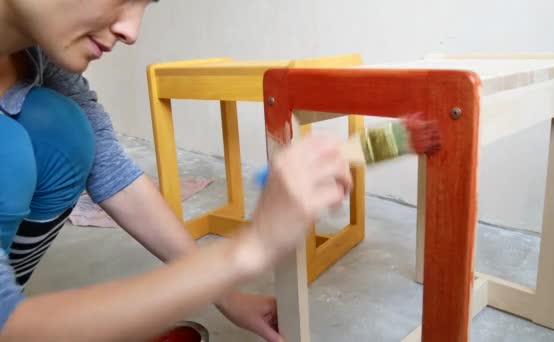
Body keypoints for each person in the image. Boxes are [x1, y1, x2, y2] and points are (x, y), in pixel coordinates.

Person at [0, 1, 352, 341]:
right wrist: (247, 250)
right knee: (10, 150)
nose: (131, 31)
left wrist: (227, 294)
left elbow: (111, 171)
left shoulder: (38, 52)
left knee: (65, 133)